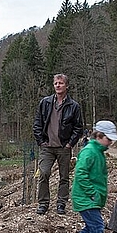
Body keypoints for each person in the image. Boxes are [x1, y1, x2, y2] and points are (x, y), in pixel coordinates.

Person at [63, 120, 117, 233]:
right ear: (99, 136)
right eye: (108, 139)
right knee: (97, 227)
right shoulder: (89, 152)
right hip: (85, 198)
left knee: (91, 227)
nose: (110, 142)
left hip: (91, 198)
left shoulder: (98, 151)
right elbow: (80, 174)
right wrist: (93, 193)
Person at [33, 74, 83, 215]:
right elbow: (37, 123)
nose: (58, 85)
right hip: (47, 146)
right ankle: (43, 203)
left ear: (66, 86)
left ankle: (61, 203)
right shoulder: (45, 103)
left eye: (61, 83)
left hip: (63, 147)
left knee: (64, 177)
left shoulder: (74, 106)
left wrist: (70, 144)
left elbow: (78, 127)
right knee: (43, 173)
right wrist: (41, 141)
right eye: (56, 83)